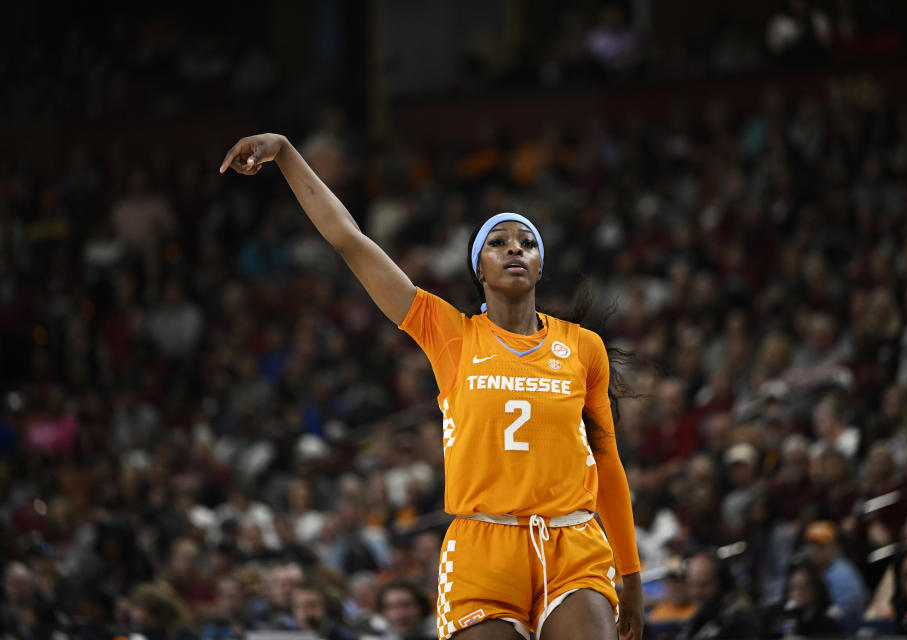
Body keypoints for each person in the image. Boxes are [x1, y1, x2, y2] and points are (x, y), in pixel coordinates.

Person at [220, 133, 643, 640]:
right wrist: (286, 153)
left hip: (573, 544)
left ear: (540, 265)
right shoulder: (450, 334)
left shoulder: (583, 346)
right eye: (499, 241)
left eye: (527, 243)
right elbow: (349, 239)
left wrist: (632, 575)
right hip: (483, 548)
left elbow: (608, 463)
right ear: (477, 267)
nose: (515, 248)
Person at [675, 551, 758, 640]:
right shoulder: (700, 617)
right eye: (691, 585)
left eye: (704, 584)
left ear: (722, 582)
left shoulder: (739, 618)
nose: (696, 592)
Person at [763, 560, 843, 638]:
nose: (799, 592)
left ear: (816, 589)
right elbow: (780, 633)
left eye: (805, 586)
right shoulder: (777, 615)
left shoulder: (826, 620)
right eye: (794, 586)